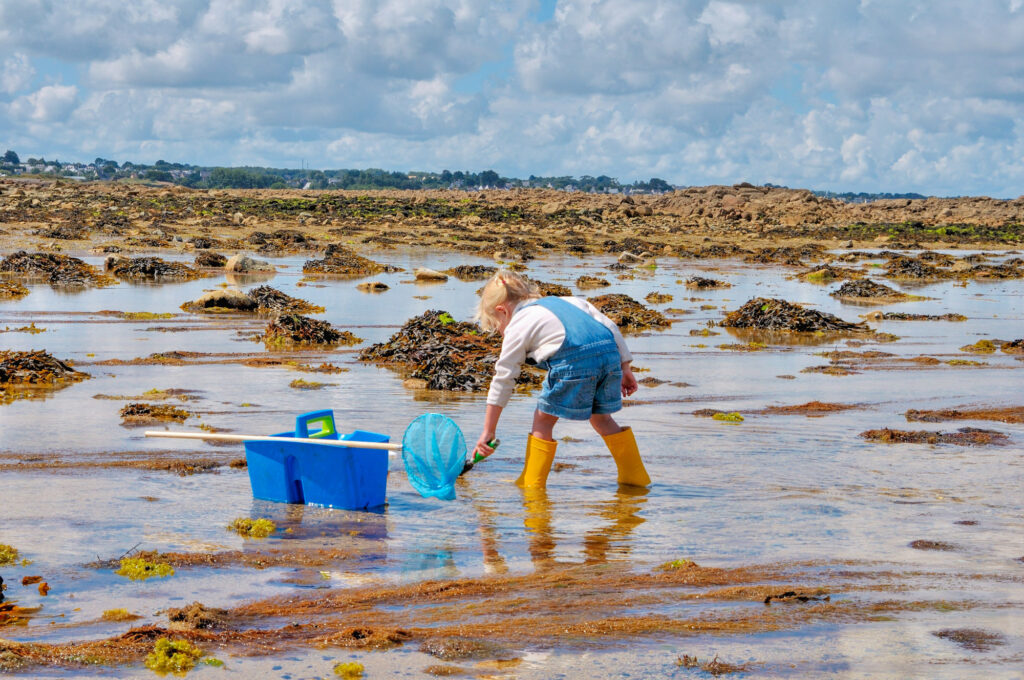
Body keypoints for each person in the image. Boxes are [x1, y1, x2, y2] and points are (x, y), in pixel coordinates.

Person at [472, 270, 651, 489]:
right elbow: (610, 327)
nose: (500, 331)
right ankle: (636, 479)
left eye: (496, 325)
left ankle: (532, 485)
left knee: (543, 420)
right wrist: (625, 366)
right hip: (609, 355)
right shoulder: (569, 301)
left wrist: (488, 430)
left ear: (502, 311)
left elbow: (504, 378)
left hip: (573, 361)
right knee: (601, 418)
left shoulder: (518, 324)